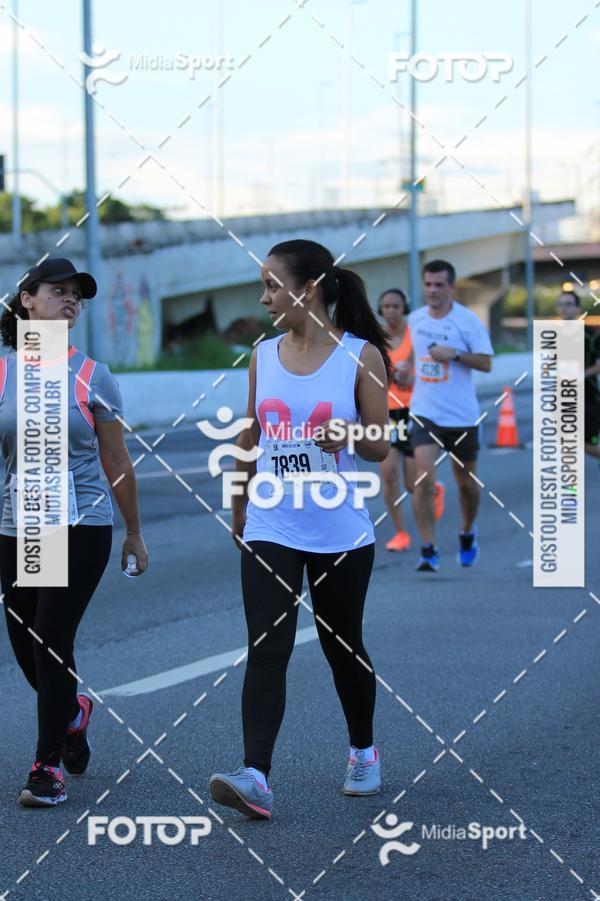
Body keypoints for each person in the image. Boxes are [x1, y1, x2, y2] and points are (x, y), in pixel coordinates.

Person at [209, 239, 391, 819]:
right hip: (272, 522)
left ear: (307, 289)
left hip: (340, 530)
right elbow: (250, 433)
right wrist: (238, 503)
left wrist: (351, 435)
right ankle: (255, 776)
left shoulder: (360, 356)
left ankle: (363, 750)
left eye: (271, 285)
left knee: (343, 647)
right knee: (267, 649)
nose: (263, 298)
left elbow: (381, 444)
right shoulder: (263, 355)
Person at [0, 257, 148, 808]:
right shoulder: (3, 373)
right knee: (24, 639)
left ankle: (46, 767)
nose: (69, 301)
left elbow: (117, 459)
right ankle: (71, 714)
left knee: (49, 635)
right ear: (27, 300)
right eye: (58, 291)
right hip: (20, 522)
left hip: (81, 521)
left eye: (76, 296)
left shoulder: (91, 375)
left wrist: (134, 531)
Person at [408, 260, 493, 572]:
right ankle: (428, 548)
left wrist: (455, 354)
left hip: (461, 416)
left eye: (439, 285)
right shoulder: (414, 319)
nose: (432, 290)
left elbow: (486, 363)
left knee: (466, 485)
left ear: (452, 287)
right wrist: (403, 369)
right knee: (423, 480)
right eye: (428, 284)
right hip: (424, 412)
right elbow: (409, 356)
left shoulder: (467, 322)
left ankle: (467, 531)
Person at [378, 288, 444, 551]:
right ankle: (401, 533)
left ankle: (433, 489)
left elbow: (431, 368)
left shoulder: (415, 335)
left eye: (396, 306)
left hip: (415, 410)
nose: (391, 311)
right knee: (388, 475)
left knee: (412, 483)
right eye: (386, 306)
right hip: (387, 413)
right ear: (381, 309)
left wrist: (411, 375)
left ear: (404, 308)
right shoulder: (376, 338)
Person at [556, 290, 600, 459]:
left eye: (568, 304)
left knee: (587, 443)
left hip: (587, 397)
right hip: (564, 397)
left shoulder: (590, 335)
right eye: (561, 304)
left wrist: (581, 374)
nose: (564, 308)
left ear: (578, 308)